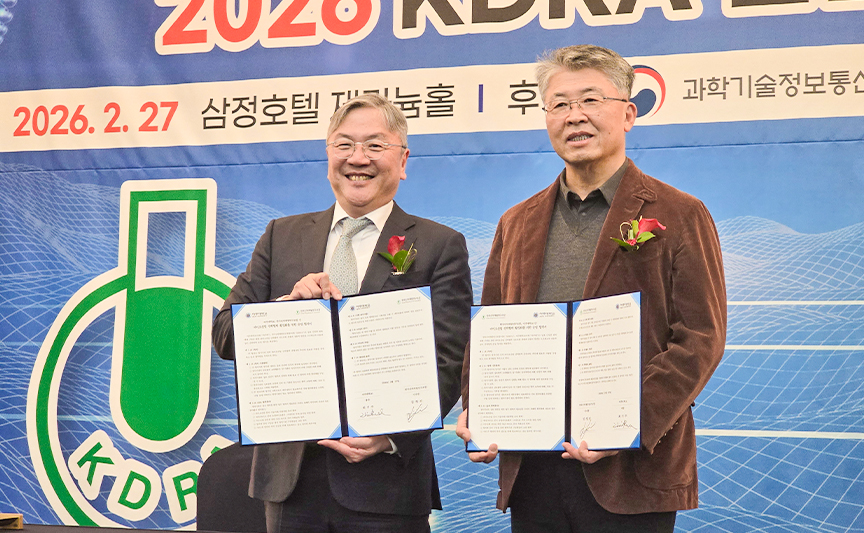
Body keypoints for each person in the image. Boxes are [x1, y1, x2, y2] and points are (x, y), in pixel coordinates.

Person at [455, 45, 727, 532]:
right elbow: (491, 331)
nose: (574, 116)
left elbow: (700, 338)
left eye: (590, 100)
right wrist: (479, 408)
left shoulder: (681, 213)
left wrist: (626, 425)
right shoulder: (516, 222)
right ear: (546, 118)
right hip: (532, 468)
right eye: (559, 104)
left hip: (632, 474)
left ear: (628, 113)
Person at [212, 93, 472, 533]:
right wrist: (286, 310)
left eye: (375, 145)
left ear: (403, 159)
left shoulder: (437, 245)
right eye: (344, 144)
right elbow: (225, 335)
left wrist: (392, 436)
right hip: (289, 482)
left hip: (386, 486)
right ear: (328, 154)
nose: (358, 159)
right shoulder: (282, 236)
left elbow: (451, 359)